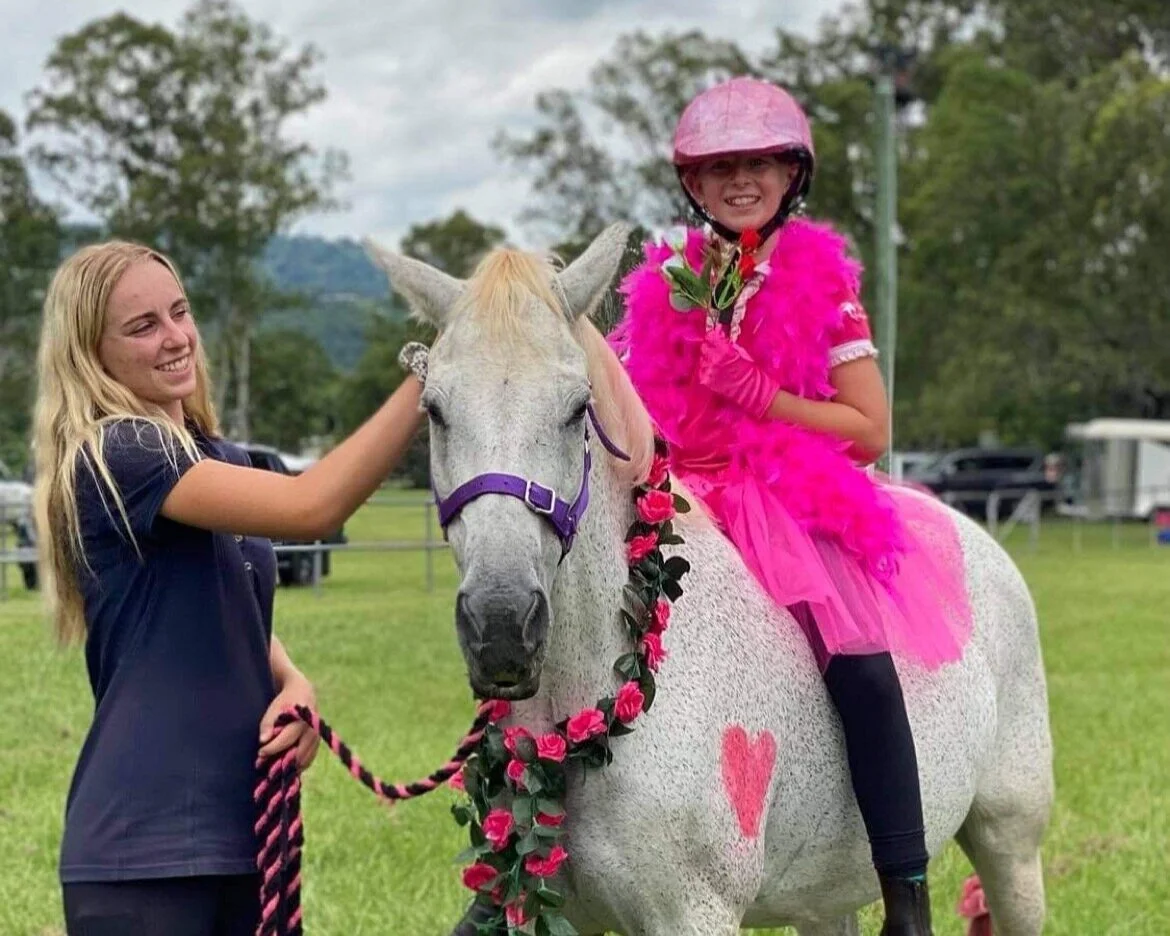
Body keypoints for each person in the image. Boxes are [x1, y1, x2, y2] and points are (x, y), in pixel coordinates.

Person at [606, 77, 974, 935]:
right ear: (692, 186)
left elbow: (869, 427)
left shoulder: (822, 286)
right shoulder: (667, 285)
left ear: (791, 175)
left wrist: (761, 394)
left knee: (863, 674)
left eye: (760, 163)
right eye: (720, 167)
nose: (742, 180)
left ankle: (906, 890)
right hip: (683, 496)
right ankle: (533, 851)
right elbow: (631, 401)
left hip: (786, 503)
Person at [33, 241, 424, 936]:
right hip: (143, 857)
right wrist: (433, 375)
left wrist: (293, 682)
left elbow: (227, 601)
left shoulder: (217, 459)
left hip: (245, 841)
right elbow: (314, 508)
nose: (176, 337)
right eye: (142, 325)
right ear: (91, 353)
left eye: (179, 312)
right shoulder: (119, 452)